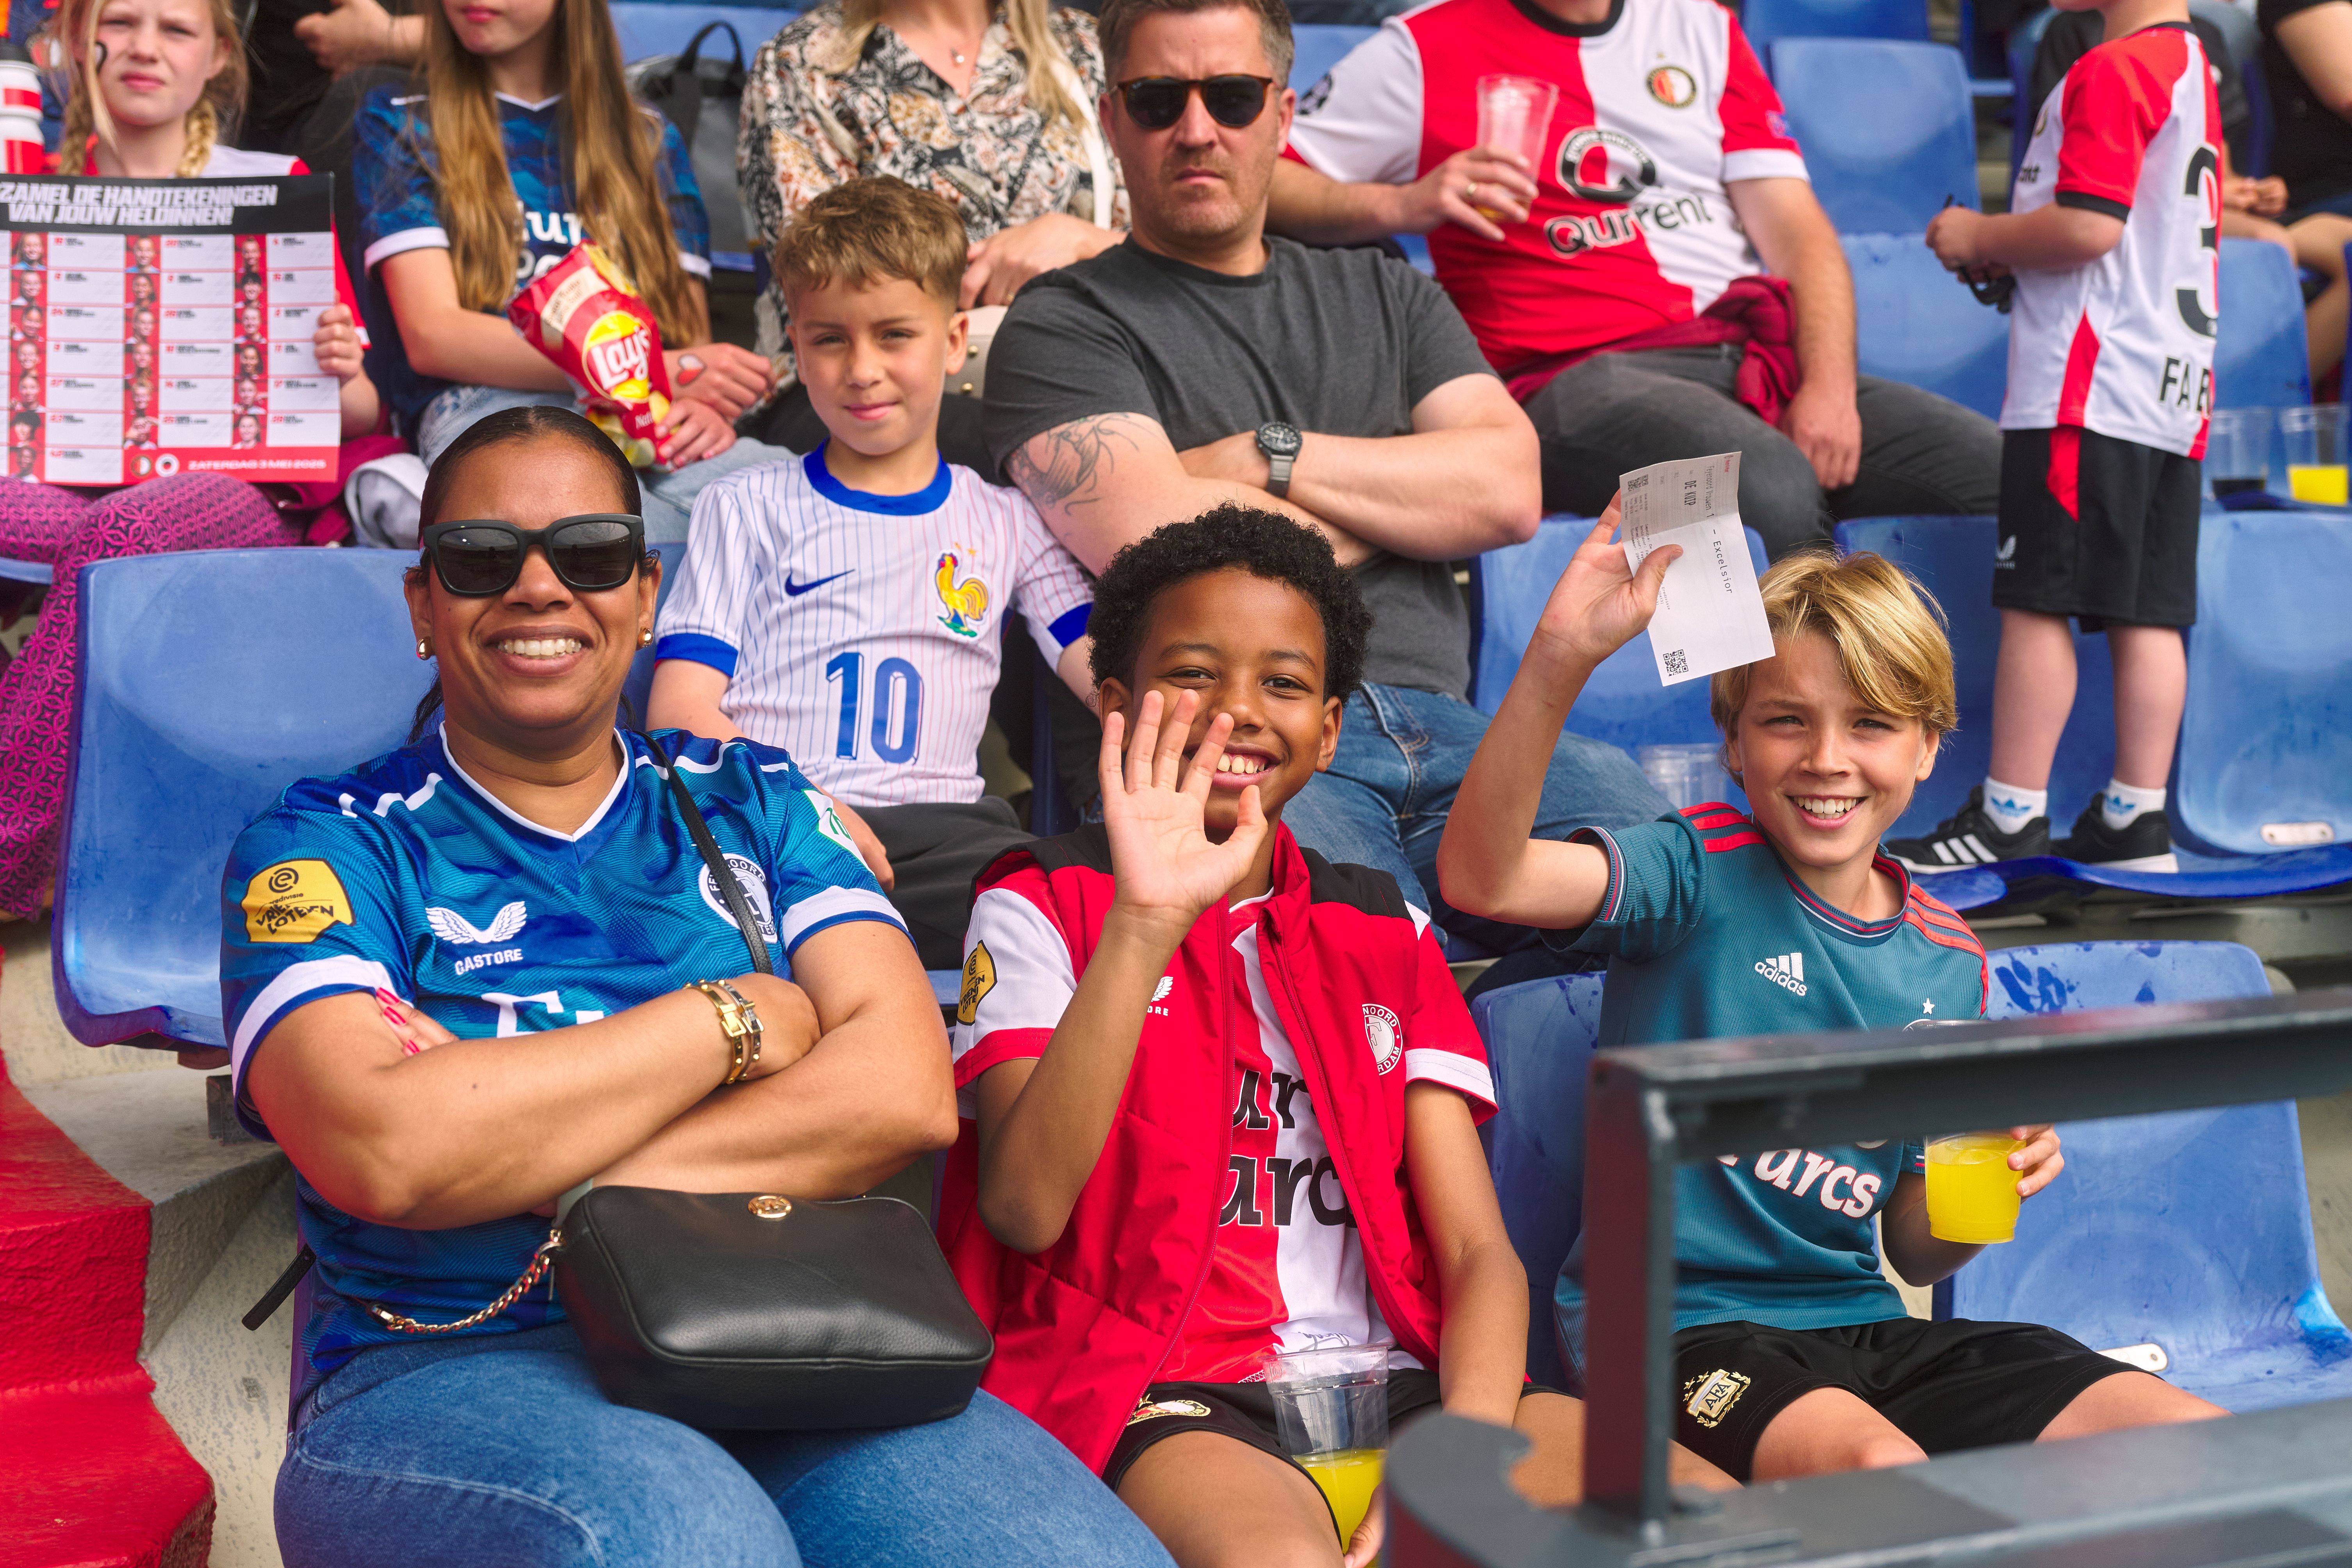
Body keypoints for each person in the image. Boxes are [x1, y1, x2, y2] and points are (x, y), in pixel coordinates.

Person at [226, 405, 1177, 1568]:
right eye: (483, 559)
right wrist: (737, 1021)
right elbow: (385, 1148)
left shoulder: (753, 797)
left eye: (588, 555)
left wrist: (531, 1165)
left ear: (644, 596)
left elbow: (898, 1092)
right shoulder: (327, 843)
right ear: (423, 606)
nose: (540, 589)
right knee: (686, 1543)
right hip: (447, 1358)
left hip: (779, 1334)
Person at [940, 506, 1731, 1566]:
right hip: (1164, 1390)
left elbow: (1476, 1252)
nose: (1236, 712)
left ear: (1327, 727)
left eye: (1281, 682)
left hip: (1392, 1385)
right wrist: (1146, 923)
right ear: (1116, 706)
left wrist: (1464, 1454)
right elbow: (1025, 1208)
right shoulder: (1043, 903)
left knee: (1717, 1522)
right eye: (1191, 673)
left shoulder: (1376, 926)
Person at [1437, 533, 2229, 1482]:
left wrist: (1988, 1183)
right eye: (1784, 720)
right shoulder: (1694, 866)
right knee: (1876, 1470)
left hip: (1864, 1327)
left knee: (2194, 1436)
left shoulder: (1949, 957)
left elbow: (1910, 1244)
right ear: (1731, 742)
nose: (1825, 758)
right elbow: (1483, 876)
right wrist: (1562, 653)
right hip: (1673, 1329)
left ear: (1929, 745)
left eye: (1868, 723)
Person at [984, 0, 1669, 949]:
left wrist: (1270, 458)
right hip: (1232, 742)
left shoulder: (1386, 293)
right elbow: (1170, 555)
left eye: (1229, 97)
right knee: (1361, 957)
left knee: (1670, 882)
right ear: (1109, 119)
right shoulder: (1060, 324)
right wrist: (1408, 507)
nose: (1195, 130)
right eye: (1155, 101)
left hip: (1448, 728)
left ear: (1282, 114)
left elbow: (1507, 491)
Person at [1266, 0, 2002, 555]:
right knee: (1763, 486)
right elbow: (1265, 172)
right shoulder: (1424, 46)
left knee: (2005, 477)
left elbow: (1801, 236)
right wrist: (1402, 202)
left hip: (1750, 359)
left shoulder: (1700, 27)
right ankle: (1782, 738)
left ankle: (1975, 749)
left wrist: (1831, 388)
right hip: (1569, 380)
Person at [649, 177, 1096, 969]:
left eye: (894, 335)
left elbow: (1100, 666)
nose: (861, 369)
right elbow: (680, 713)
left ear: (955, 340)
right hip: (775, 820)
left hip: (947, 833)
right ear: (794, 343)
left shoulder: (1008, 517)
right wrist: (808, 810)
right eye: (829, 339)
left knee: (1073, 921)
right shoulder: (746, 505)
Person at [0, 0, 381, 924]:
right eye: (121, 21)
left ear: (216, 57)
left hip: (234, 498)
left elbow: (364, 410)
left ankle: (9, 849)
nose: (142, 47)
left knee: (128, 527)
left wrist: (341, 369)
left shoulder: (274, 184)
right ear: (72, 43)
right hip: (61, 485)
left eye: (174, 29)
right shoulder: (28, 204)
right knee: (106, 532)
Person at [1897, 0, 2217, 872]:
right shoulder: (2192, 65)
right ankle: (2135, 818)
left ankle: (2010, 814)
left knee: (2038, 599)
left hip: (2087, 389)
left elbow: (2086, 229)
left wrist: (1979, 235)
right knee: (2147, 609)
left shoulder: (2116, 68)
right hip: (2166, 392)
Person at [352, 0, 783, 540]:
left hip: (643, 411)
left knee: (786, 506)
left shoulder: (650, 137)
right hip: (490, 404)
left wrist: (700, 410)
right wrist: (641, 368)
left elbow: (684, 343)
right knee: (625, 534)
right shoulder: (401, 117)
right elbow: (433, 335)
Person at [738, 0, 1128, 469]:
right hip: (865, 395)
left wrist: (1084, 243)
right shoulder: (806, 62)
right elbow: (814, 274)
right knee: (1077, 453)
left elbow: (1186, 251)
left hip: (1086, 363)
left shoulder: (1082, 46)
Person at [2035, 7, 2352, 381]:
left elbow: (2218, 165)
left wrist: (2250, 191)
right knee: (2269, 241)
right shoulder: (2077, 34)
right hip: (2142, 203)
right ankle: (2246, 389)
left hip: (2208, 203)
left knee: (2339, 241)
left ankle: (2278, 388)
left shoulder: (2203, 37)